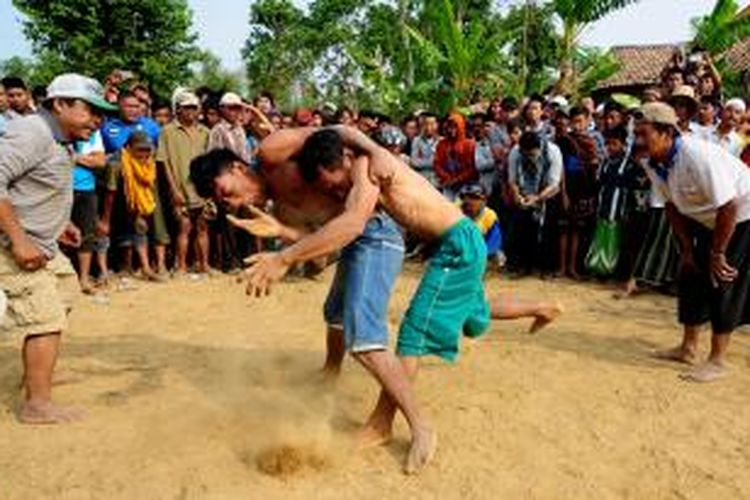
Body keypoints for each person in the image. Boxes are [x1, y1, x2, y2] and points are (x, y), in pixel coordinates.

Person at [192, 127, 563, 474]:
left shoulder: (311, 157)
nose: (230, 203)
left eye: (226, 191)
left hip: (392, 234)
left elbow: (337, 146)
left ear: (239, 167)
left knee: (383, 336)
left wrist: (373, 149)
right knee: (453, 313)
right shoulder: (285, 206)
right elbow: (322, 250)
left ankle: (407, 424)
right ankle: (540, 307)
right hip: (410, 240)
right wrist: (282, 232)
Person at [0, 73, 117, 424]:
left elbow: (39, 186)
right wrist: (19, 240)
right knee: (46, 319)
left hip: (44, 244)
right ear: (60, 104)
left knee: (65, 294)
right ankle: (37, 405)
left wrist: (61, 222)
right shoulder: (31, 132)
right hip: (14, 247)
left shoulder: (62, 139)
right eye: (90, 110)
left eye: (101, 112)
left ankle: (37, 374)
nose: (98, 120)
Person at [635, 102, 750, 382]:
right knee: (690, 275)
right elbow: (672, 207)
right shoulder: (651, 161)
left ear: (666, 133)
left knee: (722, 278)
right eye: (636, 133)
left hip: (743, 213)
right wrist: (686, 249)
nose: (638, 140)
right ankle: (687, 348)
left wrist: (718, 252)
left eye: (644, 133)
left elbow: (729, 206)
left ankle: (718, 360)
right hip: (706, 218)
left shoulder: (696, 154)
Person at [157, 91, 210, 276]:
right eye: (186, 107)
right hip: (180, 188)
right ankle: (181, 267)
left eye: (193, 108)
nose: (190, 111)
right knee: (184, 228)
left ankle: (204, 265)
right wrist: (174, 190)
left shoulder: (206, 132)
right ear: (178, 109)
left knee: (203, 227)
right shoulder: (167, 131)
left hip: (201, 189)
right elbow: (164, 163)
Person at [102, 132, 165, 282]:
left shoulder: (148, 163)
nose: (144, 154)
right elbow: (110, 193)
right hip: (113, 200)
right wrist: (105, 219)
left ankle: (146, 268)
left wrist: (139, 212)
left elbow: (144, 189)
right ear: (129, 148)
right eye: (140, 150)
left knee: (140, 229)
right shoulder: (116, 163)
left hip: (135, 201)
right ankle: (124, 267)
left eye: (147, 150)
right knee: (119, 234)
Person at [507, 131, 563, 276]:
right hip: (525, 191)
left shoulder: (553, 151)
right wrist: (518, 196)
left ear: (539, 148)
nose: (529, 158)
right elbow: (512, 180)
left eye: (532, 154)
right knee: (523, 229)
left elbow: (554, 184)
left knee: (548, 231)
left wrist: (537, 198)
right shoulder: (515, 152)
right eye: (526, 154)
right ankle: (523, 266)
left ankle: (547, 268)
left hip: (547, 192)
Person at [556, 107, 600, 279]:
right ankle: (561, 267)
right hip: (567, 188)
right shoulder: (564, 141)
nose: (577, 126)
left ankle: (573, 268)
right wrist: (564, 193)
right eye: (574, 122)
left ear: (588, 121)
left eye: (580, 121)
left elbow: (595, 166)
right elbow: (561, 170)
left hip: (584, 190)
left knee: (577, 230)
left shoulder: (591, 141)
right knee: (563, 230)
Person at [71, 126, 107, 293]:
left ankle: (84, 279)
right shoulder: (58, 132)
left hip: (87, 188)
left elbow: (100, 162)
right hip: (61, 188)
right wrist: (87, 159)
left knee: (87, 234)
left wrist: (74, 157)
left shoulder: (93, 132)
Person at [459, 184, 504, 270]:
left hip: (481, 249)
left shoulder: (489, 215)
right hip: (460, 249)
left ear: (484, 201)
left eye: (474, 198)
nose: (469, 201)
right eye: (466, 197)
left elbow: (495, 240)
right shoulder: (455, 212)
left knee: (499, 257)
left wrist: (482, 255)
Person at [434, 113, 478, 200]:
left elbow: (472, 167)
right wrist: (447, 178)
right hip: (447, 184)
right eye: (449, 127)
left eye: (455, 127)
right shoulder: (441, 144)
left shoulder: (469, 144)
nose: (451, 130)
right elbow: (437, 164)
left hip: (467, 184)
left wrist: (456, 180)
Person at [209, 92, 250, 164]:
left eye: (237, 108)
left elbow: (245, 155)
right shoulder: (218, 130)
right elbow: (214, 158)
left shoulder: (240, 129)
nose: (235, 112)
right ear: (222, 109)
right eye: (231, 108)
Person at [409, 112, 440, 188]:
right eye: (426, 124)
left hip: (438, 182)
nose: (429, 127)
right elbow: (414, 162)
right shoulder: (416, 141)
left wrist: (423, 160)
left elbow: (443, 162)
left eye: (432, 124)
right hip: (421, 181)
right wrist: (434, 161)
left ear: (437, 125)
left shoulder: (442, 141)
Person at [470, 113, 497, 198]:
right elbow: (479, 165)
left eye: (479, 126)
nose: (477, 129)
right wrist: (496, 160)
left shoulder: (500, 142)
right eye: (474, 126)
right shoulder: (475, 145)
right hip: (485, 190)